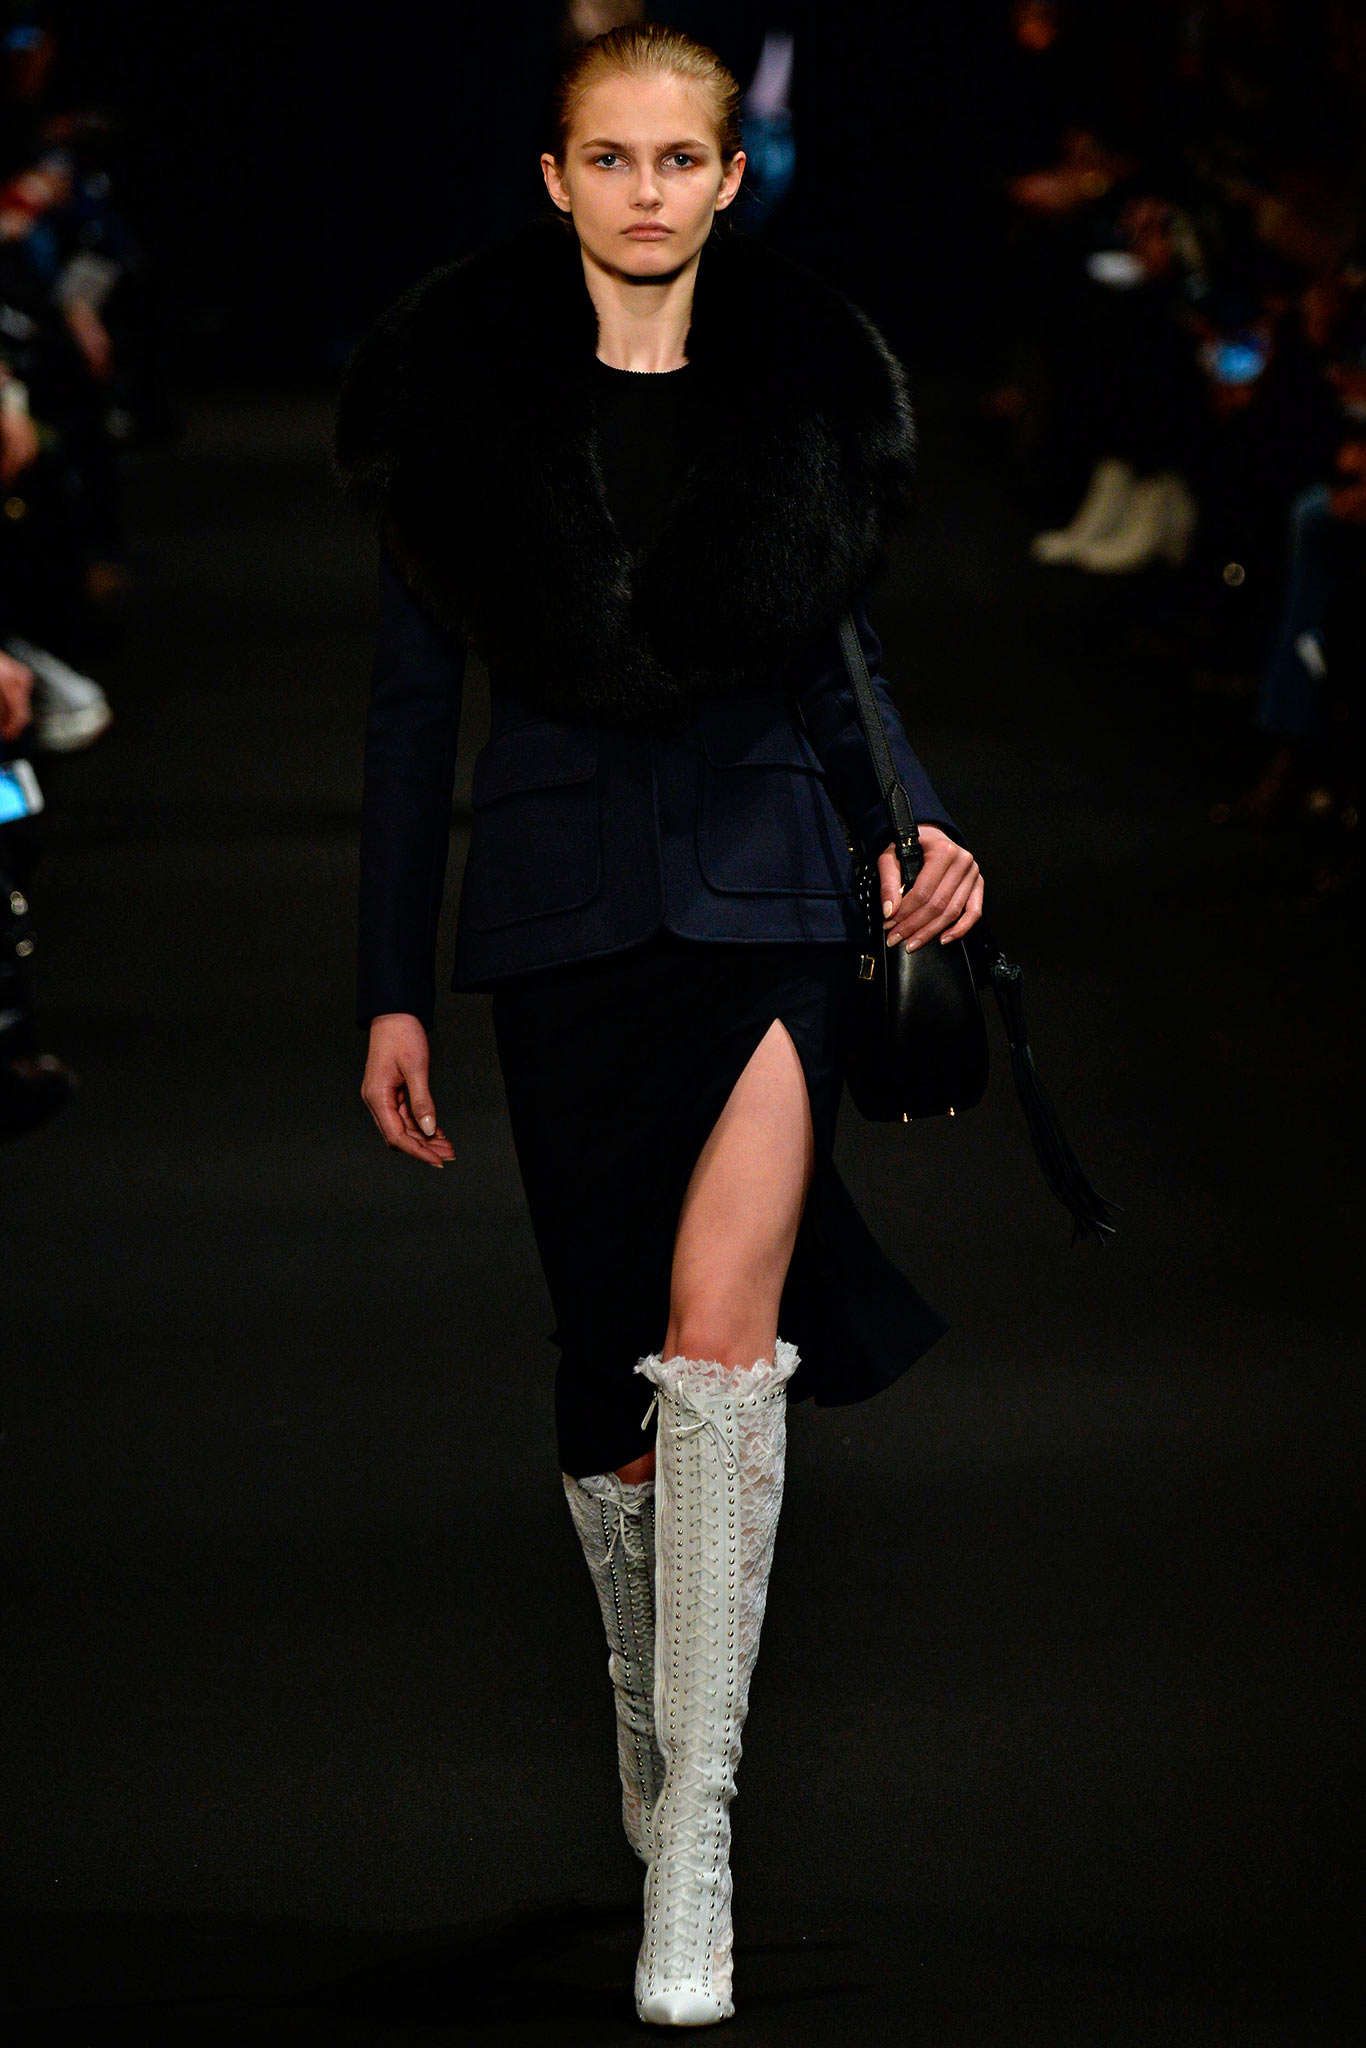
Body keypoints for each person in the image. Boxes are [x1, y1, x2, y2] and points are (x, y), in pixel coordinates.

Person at [334, 22, 983, 2028]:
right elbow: (410, 719)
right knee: (606, 1393)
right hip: (555, 920)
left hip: (767, 893)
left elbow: (841, 659)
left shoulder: (796, 396)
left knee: (717, 1356)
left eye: (675, 157)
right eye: (606, 157)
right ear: (554, 179)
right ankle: (646, 1712)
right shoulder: (463, 413)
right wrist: (387, 984)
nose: (642, 189)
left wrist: (914, 819)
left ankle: (692, 1841)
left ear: (726, 176)